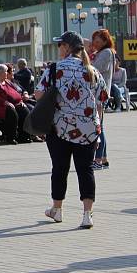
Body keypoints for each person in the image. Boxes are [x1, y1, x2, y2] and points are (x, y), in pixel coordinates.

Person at [36, 31, 107, 229]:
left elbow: (39, 94)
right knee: (86, 170)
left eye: (60, 45)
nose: (58, 48)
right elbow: (102, 100)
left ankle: (57, 210)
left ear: (66, 47)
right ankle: (87, 214)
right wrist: (98, 127)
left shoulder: (54, 69)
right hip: (88, 129)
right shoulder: (91, 71)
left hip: (60, 127)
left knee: (60, 169)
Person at [0, 64, 30, 144]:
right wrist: (5, 102)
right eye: (5, 72)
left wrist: (20, 101)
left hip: (11, 104)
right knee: (12, 113)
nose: (7, 73)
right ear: (0, 73)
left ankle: (24, 137)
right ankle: (11, 137)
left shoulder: (7, 82)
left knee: (24, 111)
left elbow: (16, 92)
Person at [91, 29, 115, 170]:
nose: (95, 43)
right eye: (94, 40)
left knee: (99, 127)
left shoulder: (106, 53)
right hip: (100, 93)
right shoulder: (103, 52)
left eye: (98, 41)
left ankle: (98, 159)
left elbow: (96, 68)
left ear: (105, 41)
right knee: (101, 126)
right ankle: (103, 159)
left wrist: (88, 61)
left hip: (100, 94)